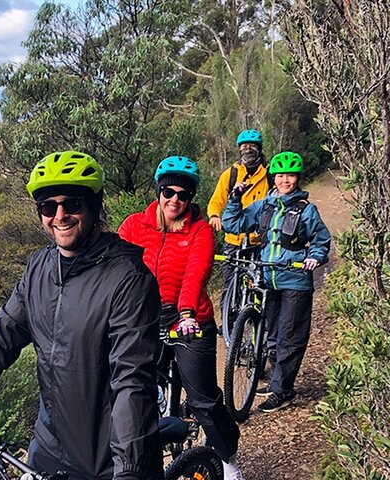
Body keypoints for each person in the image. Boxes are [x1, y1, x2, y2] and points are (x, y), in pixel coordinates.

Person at [0, 150, 164, 480]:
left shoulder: (128, 278)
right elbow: (2, 336)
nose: (59, 215)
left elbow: (132, 382)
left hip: (109, 460)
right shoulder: (39, 269)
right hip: (48, 447)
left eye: (72, 204)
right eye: (48, 207)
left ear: (93, 205)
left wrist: (130, 468)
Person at [118, 156, 244, 480]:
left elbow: (196, 273)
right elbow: (116, 270)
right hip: (146, 321)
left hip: (190, 321)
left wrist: (186, 311)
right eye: (168, 192)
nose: (175, 200)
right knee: (138, 392)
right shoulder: (134, 226)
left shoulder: (200, 230)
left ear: (191, 198)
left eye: (183, 195)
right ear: (158, 191)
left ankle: (228, 459)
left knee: (203, 401)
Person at [222, 151, 331, 413]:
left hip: (295, 281)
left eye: (290, 175)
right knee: (272, 334)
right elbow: (233, 223)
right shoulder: (265, 205)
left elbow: (321, 240)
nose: (285, 180)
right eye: (280, 175)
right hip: (268, 277)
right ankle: (277, 380)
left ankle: (283, 390)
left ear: (297, 178)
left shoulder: (306, 210)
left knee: (289, 337)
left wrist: (314, 257)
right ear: (274, 178)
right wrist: (235, 198)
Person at [207, 130, 270, 332]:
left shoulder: (268, 173)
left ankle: (260, 325)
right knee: (229, 281)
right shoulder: (231, 174)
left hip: (259, 240)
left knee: (260, 282)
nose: (247, 149)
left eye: (252, 146)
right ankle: (228, 323)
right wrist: (214, 215)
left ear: (259, 149)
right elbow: (217, 199)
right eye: (244, 146)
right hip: (233, 239)